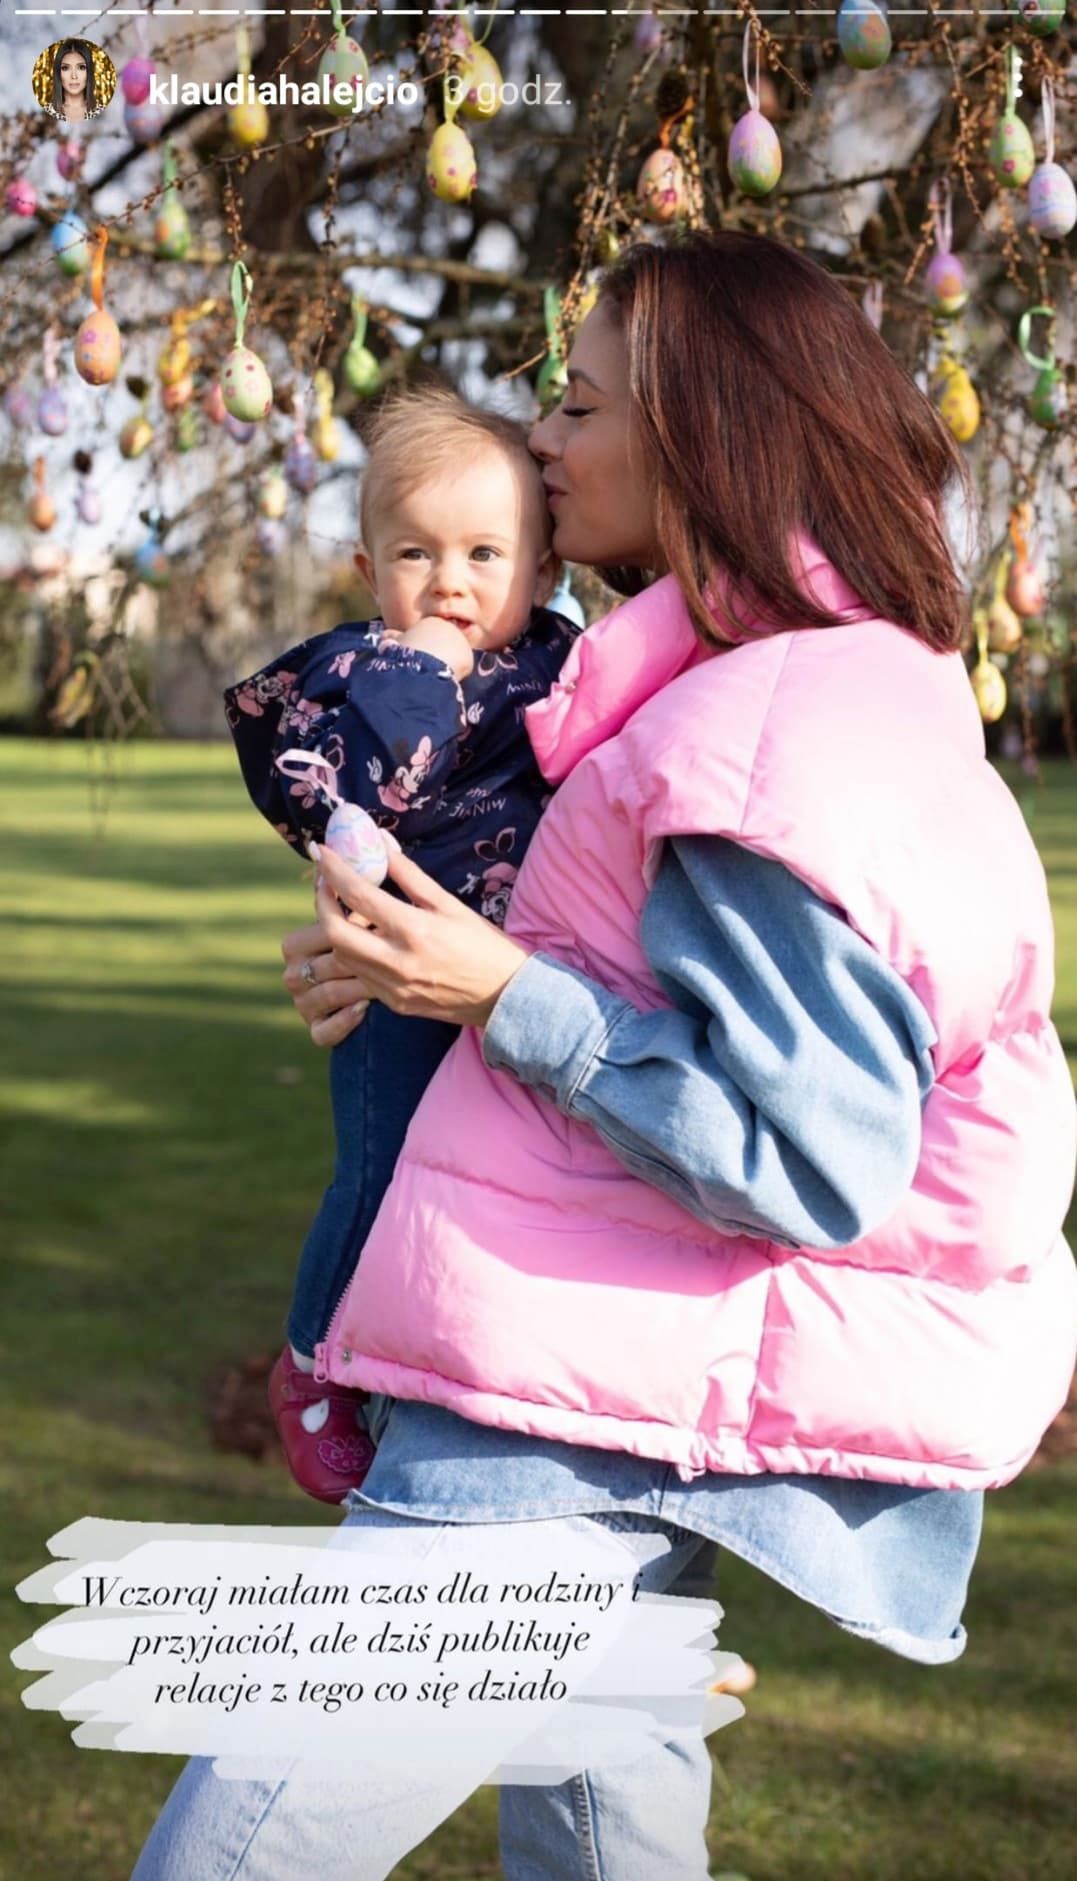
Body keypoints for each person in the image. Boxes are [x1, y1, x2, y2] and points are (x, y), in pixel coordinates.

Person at [133, 231, 1077, 1881]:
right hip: (627, 1392)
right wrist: (423, 979)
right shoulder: (780, 692)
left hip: (548, 1435)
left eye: (576, 407)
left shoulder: (759, 732)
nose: (543, 443)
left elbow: (809, 1157)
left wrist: (504, 992)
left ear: (702, 431)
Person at [224, 387, 574, 1502]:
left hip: (510, 983)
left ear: (546, 573)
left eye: (485, 553)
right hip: (393, 986)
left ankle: (423, 1357)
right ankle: (315, 1356)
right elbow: (354, 788)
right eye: (415, 554)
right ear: (373, 573)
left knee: (482, 1192)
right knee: (378, 1176)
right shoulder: (356, 678)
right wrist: (421, 666)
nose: (451, 583)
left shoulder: (562, 664)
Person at [50, 39, 96, 122]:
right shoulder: (48, 115)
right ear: (58, 72)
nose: (74, 76)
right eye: (65, 68)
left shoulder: (100, 112)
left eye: (81, 67)